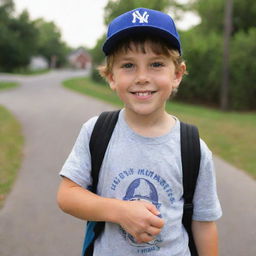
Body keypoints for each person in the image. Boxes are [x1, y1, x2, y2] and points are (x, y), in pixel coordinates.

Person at [57, 7, 222, 256]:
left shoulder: (193, 149)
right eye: (128, 65)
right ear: (111, 77)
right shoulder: (97, 132)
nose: (142, 77)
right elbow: (67, 196)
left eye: (156, 64)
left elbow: (204, 224)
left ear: (177, 74)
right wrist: (120, 211)